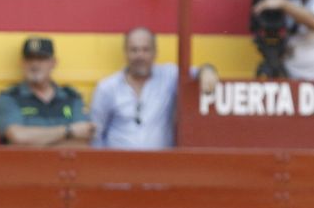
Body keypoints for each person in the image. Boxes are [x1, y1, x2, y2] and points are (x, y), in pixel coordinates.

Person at [89, 26, 220, 149]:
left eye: (145, 50)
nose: (140, 55)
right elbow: (96, 134)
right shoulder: (107, 87)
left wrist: (207, 72)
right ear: (126, 52)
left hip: (161, 163)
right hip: (117, 163)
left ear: (155, 52)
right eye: (134, 50)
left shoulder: (168, 76)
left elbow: (199, 71)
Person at [0, 36, 94, 146]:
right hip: (29, 160)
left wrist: (33, 141)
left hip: (62, 160)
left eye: (41, 59)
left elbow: (81, 142)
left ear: (53, 62)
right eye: (30, 59)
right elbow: (17, 137)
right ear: (22, 63)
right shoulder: (10, 97)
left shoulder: (71, 97)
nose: (35, 64)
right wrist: (68, 131)